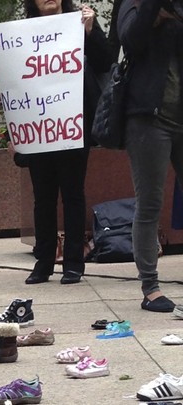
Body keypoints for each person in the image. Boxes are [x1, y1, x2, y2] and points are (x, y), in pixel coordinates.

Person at [22, 0, 113, 285]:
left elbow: (104, 61)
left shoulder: (79, 22)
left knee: (73, 193)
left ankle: (74, 262)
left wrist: (90, 31)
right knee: (43, 197)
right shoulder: (22, 32)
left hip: (73, 121)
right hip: (39, 124)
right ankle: (44, 261)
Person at [118, 0, 183, 312]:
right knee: (150, 203)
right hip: (148, 119)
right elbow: (130, 40)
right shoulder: (133, 4)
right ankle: (151, 287)